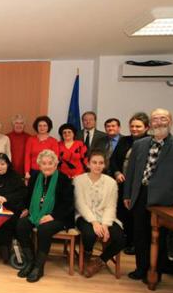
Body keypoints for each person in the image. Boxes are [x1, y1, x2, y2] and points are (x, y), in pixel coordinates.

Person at [123, 108, 173, 282]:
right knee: (140, 235)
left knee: (160, 239)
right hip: (140, 195)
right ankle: (141, 268)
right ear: (150, 124)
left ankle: (156, 272)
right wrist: (127, 194)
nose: (159, 122)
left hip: (166, 200)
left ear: (170, 122)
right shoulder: (139, 144)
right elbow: (131, 171)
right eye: (155, 119)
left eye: (163, 118)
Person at [16, 150, 74, 283]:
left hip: (59, 216)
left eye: (50, 163)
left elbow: (68, 204)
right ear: (39, 165)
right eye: (44, 163)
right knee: (21, 225)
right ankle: (30, 262)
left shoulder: (63, 179)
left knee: (44, 229)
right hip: (35, 213)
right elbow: (27, 196)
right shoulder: (35, 176)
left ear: (55, 164)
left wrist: (53, 216)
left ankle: (38, 267)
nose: (47, 166)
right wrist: (26, 208)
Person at [74, 150, 125, 278]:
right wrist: (94, 222)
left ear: (105, 165)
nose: (97, 166)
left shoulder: (111, 183)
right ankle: (87, 254)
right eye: (94, 162)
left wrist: (105, 225)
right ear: (88, 164)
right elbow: (80, 204)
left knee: (120, 238)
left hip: (105, 217)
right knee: (90, 234)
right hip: (84, 216)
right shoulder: (78, 180)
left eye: (101, 163)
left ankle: (100, 261)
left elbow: (111, 206)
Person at [110, 112, 149, 255]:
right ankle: (123, 241)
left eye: (138, 126)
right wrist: (117, 172)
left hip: (140, 186)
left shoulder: (150, 142)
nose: (134, 129)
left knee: (136, 216)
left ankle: (135, 244)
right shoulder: (124, 141)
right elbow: (113, 160)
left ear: (146, 127)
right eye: (132, 126)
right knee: (122, 213)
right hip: (122, 183)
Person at [23, 116, 59, 185]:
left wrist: (52, 171)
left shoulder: (54, 141)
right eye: (40, 126)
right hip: (33, 171)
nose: (42, 128)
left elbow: (55, 159)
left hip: (47, 171)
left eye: (45, 125)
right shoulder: (30, 140)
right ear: (36, 127)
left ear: (48, 127)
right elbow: (27, 157)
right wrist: (27, 172)